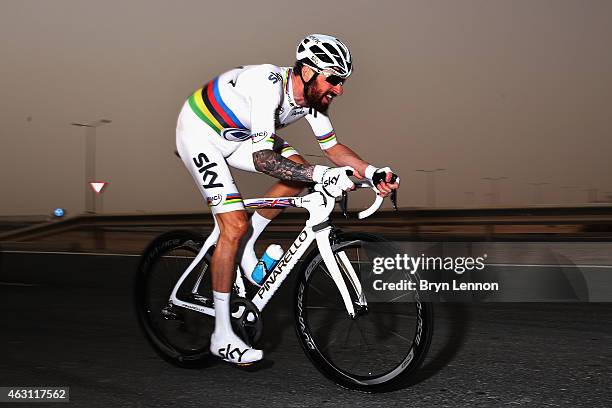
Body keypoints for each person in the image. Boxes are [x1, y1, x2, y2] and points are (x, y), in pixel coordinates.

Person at [176, 34, 399, 365]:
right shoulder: (267, 85)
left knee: (299, 172)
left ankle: (248, 246)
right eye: (334, 79)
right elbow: (265, 159)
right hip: (201, 134)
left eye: (342, 82)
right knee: (233, 225)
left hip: (238, 136)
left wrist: (373, 172)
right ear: (308, 71)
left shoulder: (310, 101)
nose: (339, 90)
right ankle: (222, 336)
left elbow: (333, 149)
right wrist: (320, 176)